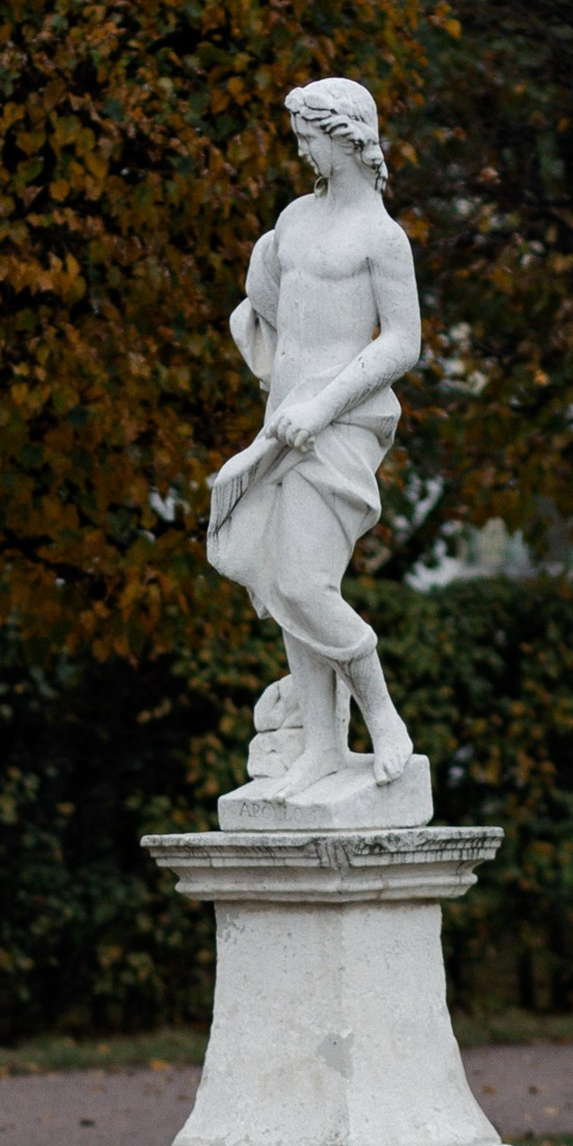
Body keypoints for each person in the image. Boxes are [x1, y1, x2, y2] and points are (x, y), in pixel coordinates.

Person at [208, 77, 420, 798]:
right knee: (284, 581)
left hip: (340, 423)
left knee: (303, 581)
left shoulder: (383, 238)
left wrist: (326, 401)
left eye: (309, 137)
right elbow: (270, 306)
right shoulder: (294, 218)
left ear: (348, 137)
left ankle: (382, 717)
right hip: (284, 421)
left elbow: (403, 343)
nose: (301, 150)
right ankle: (324, 750)